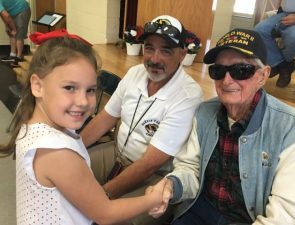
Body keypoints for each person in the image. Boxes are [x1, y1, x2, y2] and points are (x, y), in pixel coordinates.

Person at [0, 32, 167, 225]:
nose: (82, 101)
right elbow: (105, 213)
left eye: (90, 90)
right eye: (70, 88)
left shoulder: (31, 123)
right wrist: (152, 200)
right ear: (37, 86)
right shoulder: (58, 154)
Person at [150, 28, 295, 225]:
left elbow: (284, 214)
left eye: (241, 71)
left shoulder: (290, 127)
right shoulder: (204, 112)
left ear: (263, 76)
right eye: (218, 71)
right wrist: (172, 185)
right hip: (199, 209)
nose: (227, 80)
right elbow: (190, 167)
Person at [80, 15, 203, 225]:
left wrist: (102, 197)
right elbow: (104, 119)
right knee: (69, 174)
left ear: (182, 54)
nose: (154, 59)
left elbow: (148, 165)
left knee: (115, 220)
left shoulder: (188, 95)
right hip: (116, 153)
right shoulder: (135, 73)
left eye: (165, 50)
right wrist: (70, 148)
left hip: (154, 176)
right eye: (149, 48)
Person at [255, 0, 295, 88]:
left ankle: (284, 64)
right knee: (259, 31)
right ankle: (283, 65)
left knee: (292, 35)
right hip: (285, 13)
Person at [0, 0, 31, 67]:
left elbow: (6, 15)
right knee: (10, 32)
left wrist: (14, 29)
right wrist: (7, 25)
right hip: (12, 12)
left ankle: (18, 57)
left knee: (19, 34)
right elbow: (2, 15)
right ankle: (12, 55)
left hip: (22, 9)